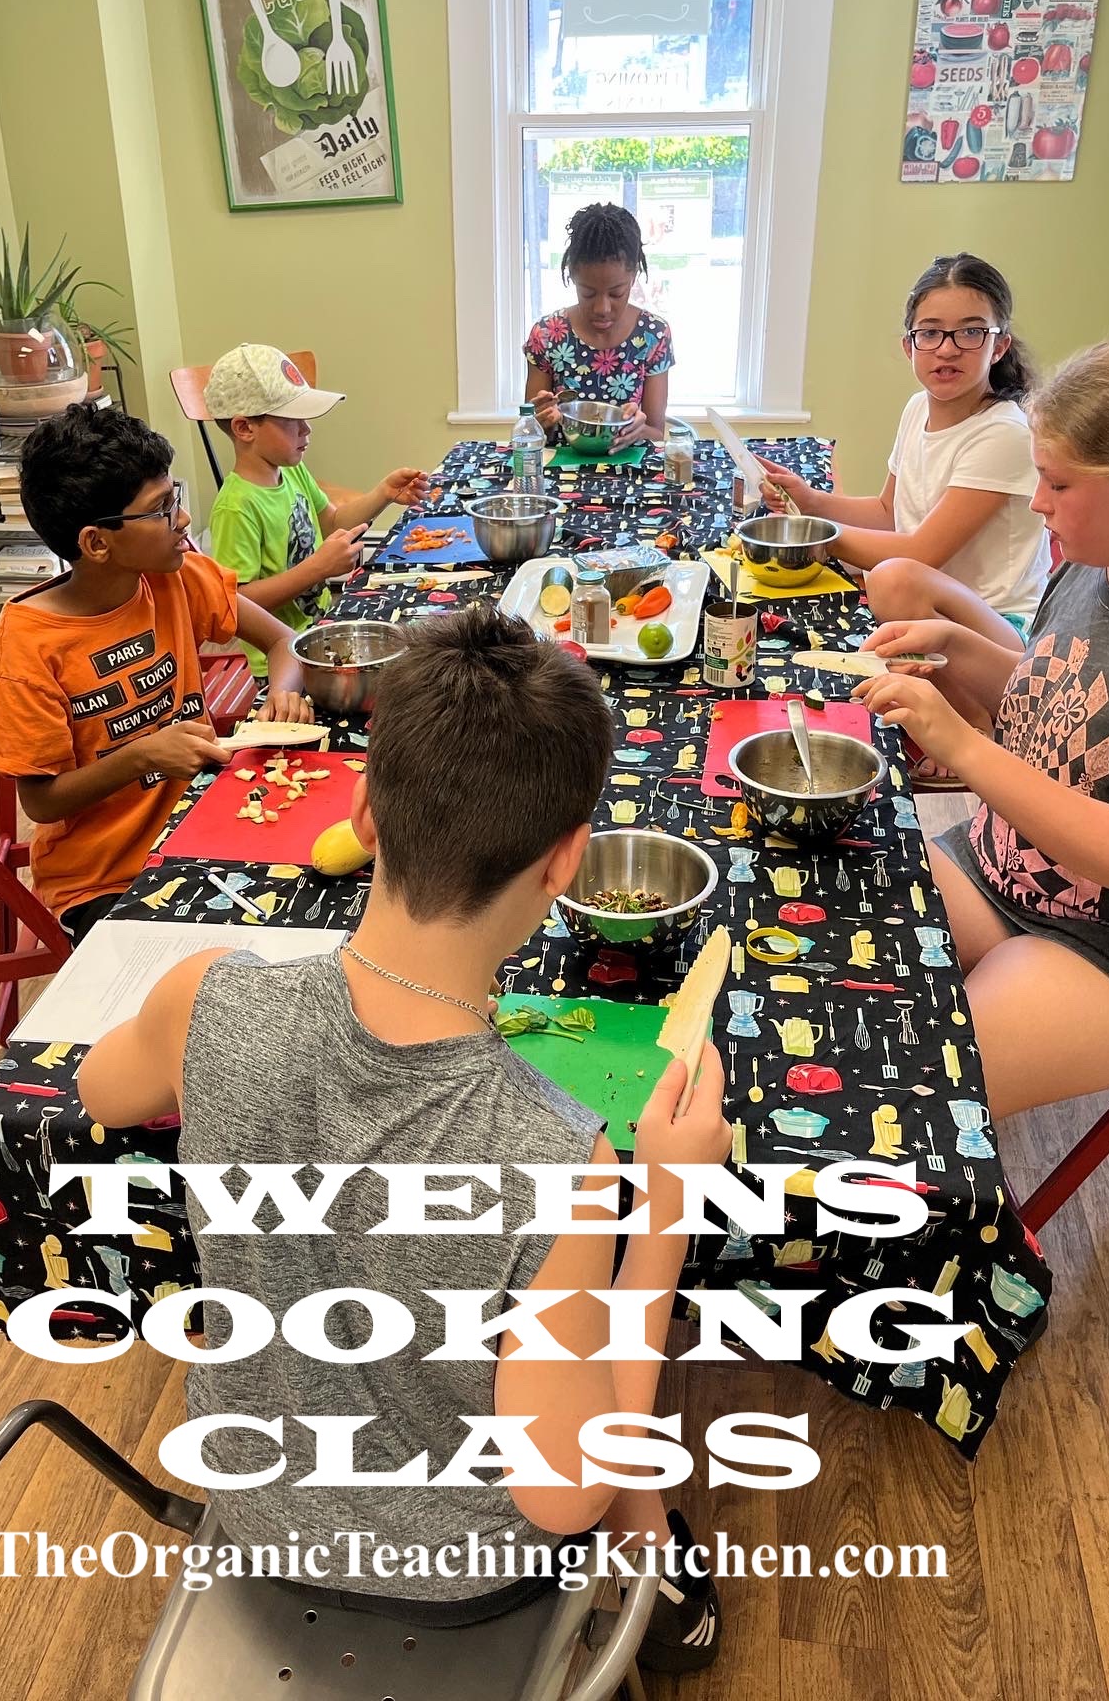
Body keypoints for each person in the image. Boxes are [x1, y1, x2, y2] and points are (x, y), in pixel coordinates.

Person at [78, 607, 732, 1672]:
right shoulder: (560, 1162)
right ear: (567, 864)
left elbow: (102, 1092)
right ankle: (655, 1583)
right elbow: (569, 1493)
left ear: (364, 812)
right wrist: (666, 1212)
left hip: (251, 1508)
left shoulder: (205, 998)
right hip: (459, 1578)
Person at [855, 336, 1109, 1119]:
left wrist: (960, 745)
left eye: (1058, 482)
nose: (1037, 502)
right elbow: (1061, 699)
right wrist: (956, 647)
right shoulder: (1097, 559)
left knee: (916, 1094)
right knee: (824, 935)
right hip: (1000, 870)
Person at [0, 403, 311, 943]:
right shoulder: (28, 648)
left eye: (173, 496)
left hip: (205, 818)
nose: (182, 519)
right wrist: (142, 756)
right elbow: (41, 801)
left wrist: (280, 694)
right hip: (106, 878)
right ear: (97, 542)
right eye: (160, 509)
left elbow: (284, 642)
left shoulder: (175, 576)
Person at [758, 252, 1049, 661]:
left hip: (1001, 625)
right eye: (930, 333)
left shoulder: (1004, 433)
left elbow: (921, 553)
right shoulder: (917, 408)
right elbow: (887, 511)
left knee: (891, 578)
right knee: (878, 574)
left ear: (999, 346)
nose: (947, 350)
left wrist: (814, 534)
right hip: (933, 601)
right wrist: (811, 502)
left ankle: (968, 695)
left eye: (970, 333)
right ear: (909, 346)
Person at [205, 345, 430, 672]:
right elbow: (237, 603)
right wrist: (317, 568)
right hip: (281, 664)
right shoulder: (236, 507)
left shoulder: (292, 471)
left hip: (321, 633)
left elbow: (333, 522)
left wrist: (383, 493)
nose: (307, 429)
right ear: (245, 428)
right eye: (292, 421)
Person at [525, 202, 674, 448]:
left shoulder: (653, 335)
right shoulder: (547, 335)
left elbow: (657, 433)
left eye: (616, 293)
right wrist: (539, 421)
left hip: (629, 468)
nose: (602, 308)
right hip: (560, 468)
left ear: (634, 276)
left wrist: (637, 430)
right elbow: (531, 432)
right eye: (588, 293)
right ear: (572, 275)